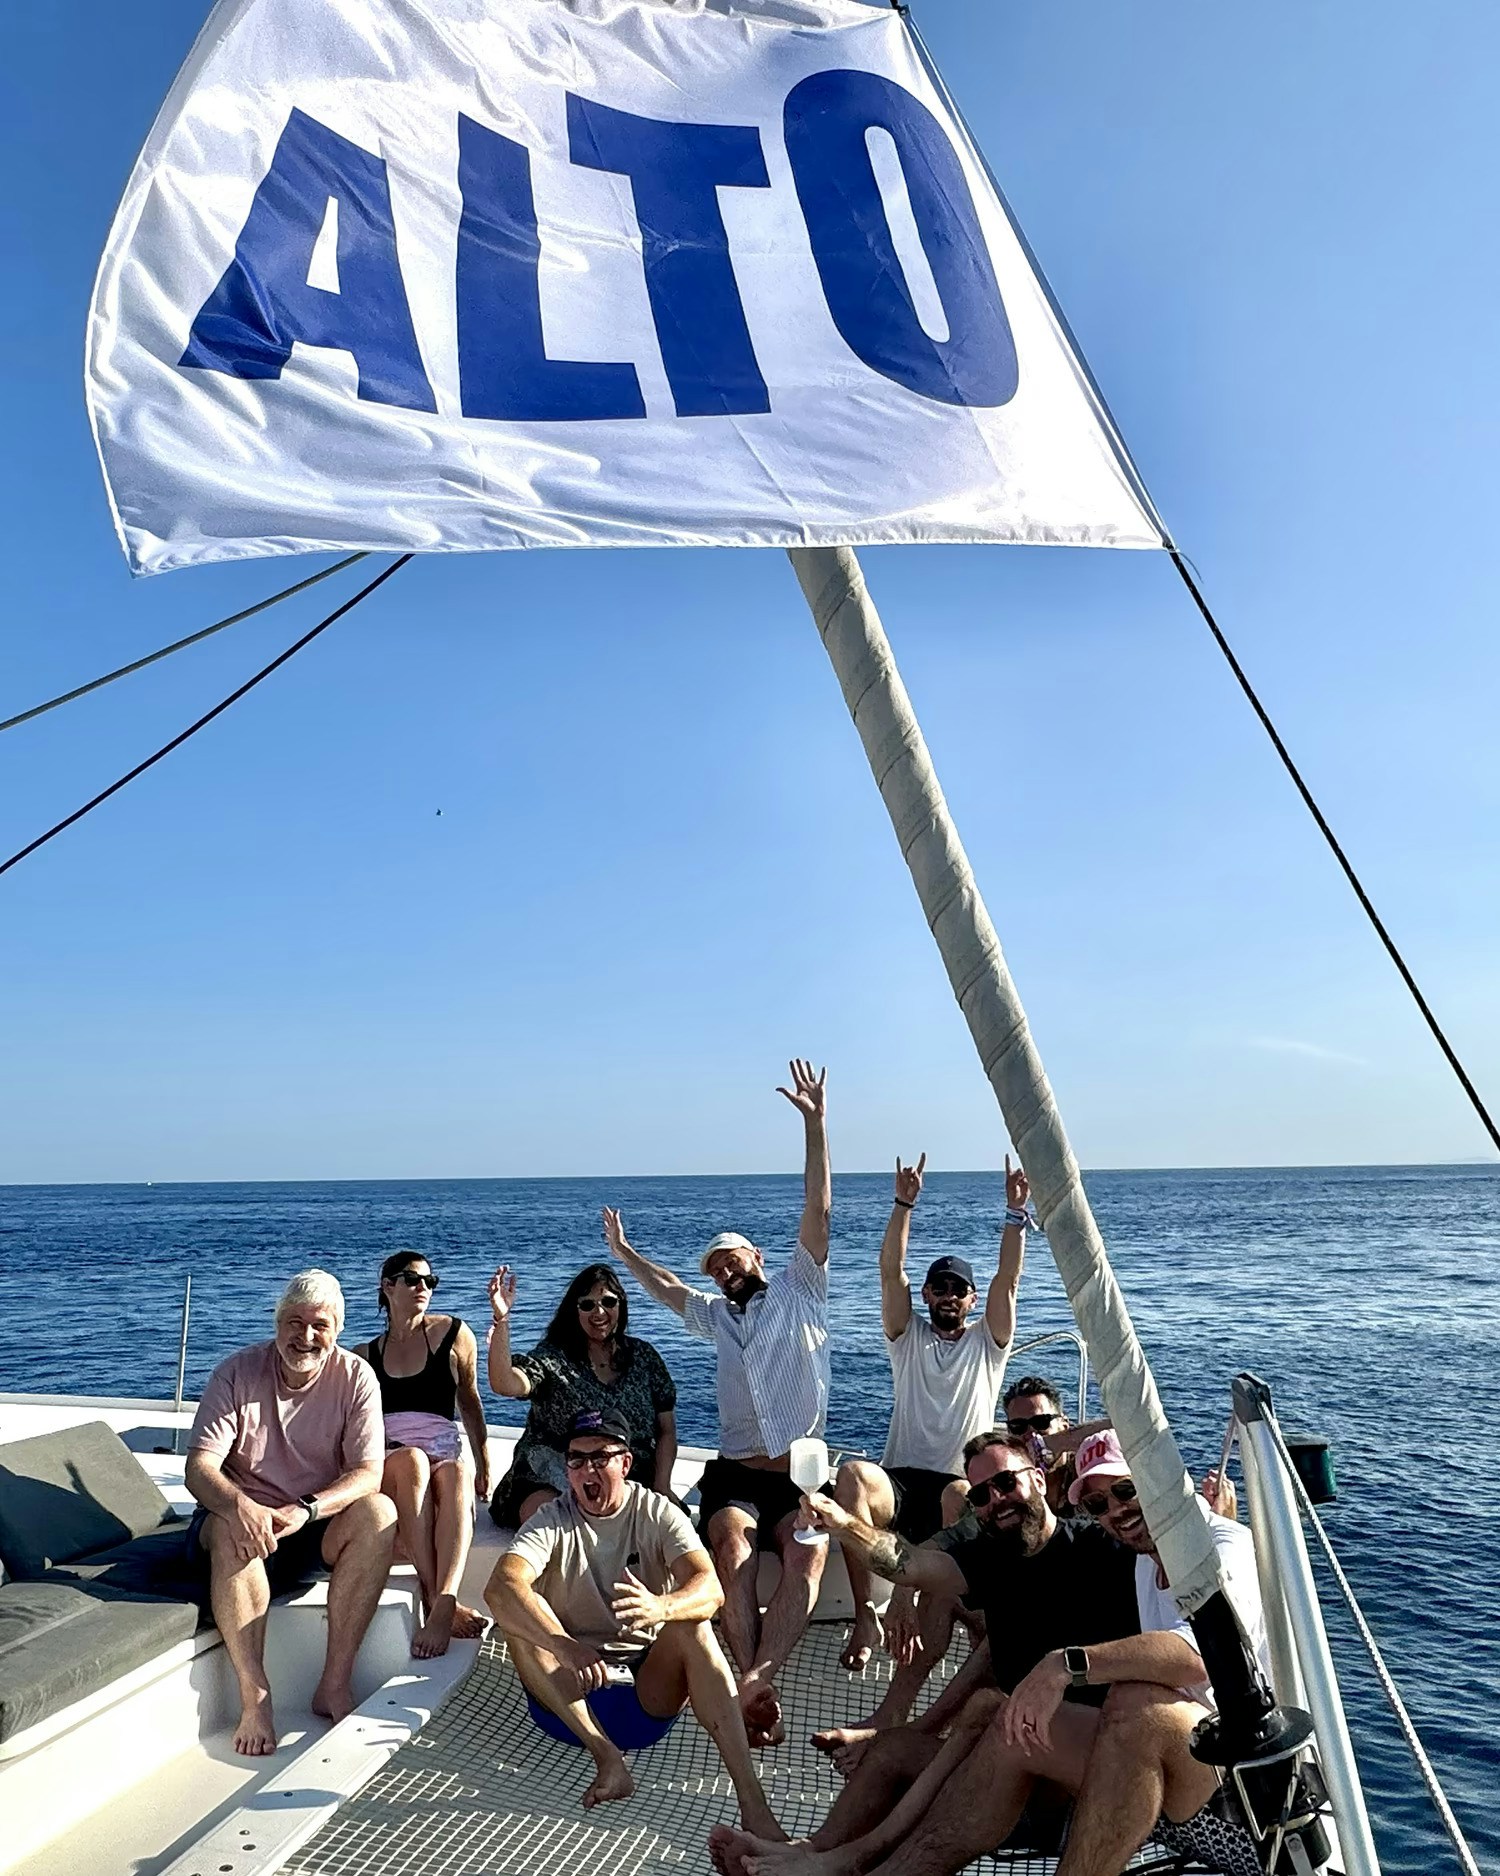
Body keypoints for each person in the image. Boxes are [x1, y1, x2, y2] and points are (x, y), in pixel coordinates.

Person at [723, 1430, 1268, 1876]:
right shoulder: (1123, 1556)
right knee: (947, 1728)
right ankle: (823, 1854)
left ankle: (854, 1863)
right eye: (981, 1495)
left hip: (1199, 1771)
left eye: (1006, 1483)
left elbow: (1198, 1650)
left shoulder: (1115, 1551)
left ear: (1037, 1476)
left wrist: (1062, 1666)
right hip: (1097, 1746)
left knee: (1120, 1705)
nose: (1117, 1511)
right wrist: (842, 1524)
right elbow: (909, 1564)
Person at [601, 1057, 831, 1749]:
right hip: (734, 1467)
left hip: (802, 1468)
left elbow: (817, 1208)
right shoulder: (716, 1317)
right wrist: (627, 1252)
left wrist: (816, 1126)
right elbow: (670, 1289)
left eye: (732, 1260)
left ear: (757, 1256)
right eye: (717, 1268)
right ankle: (756, 1680)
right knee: (727, 1545)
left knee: (803, 1554)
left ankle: (756, 1676)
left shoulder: (801, 1290)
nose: (725, 1271)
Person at [485, 1408, 784, 1839]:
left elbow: (711, 1589)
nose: (587, 1470)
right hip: (564, 1700)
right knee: (518, 1622)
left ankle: (753, 1804)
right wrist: (565, 1646)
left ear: (625, 1463)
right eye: (576, 1459)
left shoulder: (657, 1513)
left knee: (693, 1626)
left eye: (600, 1458)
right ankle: (607, 1758)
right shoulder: (553, 1519)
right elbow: (501, 1587)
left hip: (643, 1696)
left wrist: (661, 1608)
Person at [184, 1269, 396, 1757]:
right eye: (293, 1322)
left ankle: (334, 1684)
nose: (305, 1337)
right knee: (231, 1526)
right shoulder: (236, 1372)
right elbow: (199, 1468)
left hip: (307, 1522)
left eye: (319, 1325)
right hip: (234, 1522)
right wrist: (241, 1504)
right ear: (278, 1323)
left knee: (378, 1512)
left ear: (337, 1329)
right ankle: (255, 1698)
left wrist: (307, 1509)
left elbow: (369, 1473)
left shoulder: (356, 1377)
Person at [830, 1154, 1026, 1671]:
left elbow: (1008, 1280)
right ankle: (864, 1613)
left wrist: (1015, 1214)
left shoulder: (989, 1343)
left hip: (955, 1486)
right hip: (901, 1481)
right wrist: (903, 1204)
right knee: (850, 1474)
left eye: (958, 1290)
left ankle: (923, 1606)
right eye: (938, 1287)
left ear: (970, 1300)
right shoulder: (907, 1337)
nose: (947, 1296)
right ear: (927, 1295)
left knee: (962, 1494)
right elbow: (889, 1271)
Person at [353, 1249, 490, 1657]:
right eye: (413, 1280)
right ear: (388, 1286)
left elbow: (470, 1401)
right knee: (412, 1460)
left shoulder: (453, 1334)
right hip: (395, 1459)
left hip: (442, 1455)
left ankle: (445, 1598)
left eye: (430, 1281)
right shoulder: (364, 1356)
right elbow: (354, 1428)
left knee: (455, 1476)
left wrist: (483, 1462)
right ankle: (435, 1597)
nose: (423, 1288)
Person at [486, 1261, 678, 1525]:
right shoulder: (553, 1357)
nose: (599, 1312)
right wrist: (502, 1320)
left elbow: (666, 1430)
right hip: (550, 1475)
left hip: (626, 1480)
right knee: (553, 1522)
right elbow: (505, 1383)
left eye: (608, 1302)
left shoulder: (644, 1358)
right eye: (587, 1305)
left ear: (620, 1306)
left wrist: (662, 1486)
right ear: (573, 1311)